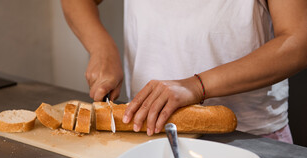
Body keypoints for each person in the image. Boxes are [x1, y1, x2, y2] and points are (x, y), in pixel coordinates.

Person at [60, 0, 307, 143]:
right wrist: (102, 48)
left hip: (247, 136)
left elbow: (299, 41)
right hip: (147, 130)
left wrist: (197, 85)